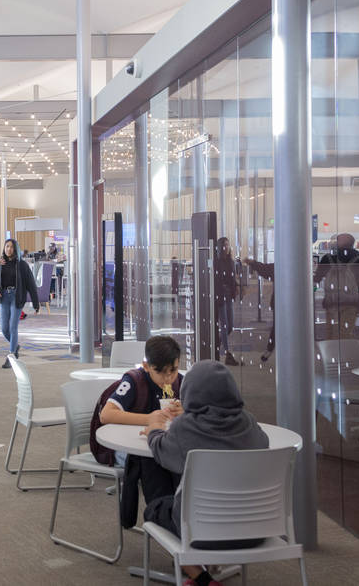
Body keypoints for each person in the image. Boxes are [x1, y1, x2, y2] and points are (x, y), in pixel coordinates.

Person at [141, 360, 270, 586]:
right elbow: (263, 444)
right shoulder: (249, 423)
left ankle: (201, 577)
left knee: (154, 508)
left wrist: (153, 431)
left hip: (201, 533)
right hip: (255, 529)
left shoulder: (186, 427)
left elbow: (161, 452)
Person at [89, 336, 183, 529]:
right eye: (161, 372)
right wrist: (149, 419)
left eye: (173, 370)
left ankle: (176, 514)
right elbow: (106, 415)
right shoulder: (134, 381)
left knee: (175, 459)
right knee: (157, 462)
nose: (168, 378)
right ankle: (163, 516)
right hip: (125, 448)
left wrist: (185, 412)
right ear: (146, 366)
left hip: (161, 445)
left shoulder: (180, 382)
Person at [314, 233, 359, 340]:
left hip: (332, 302)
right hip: (351, 303)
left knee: (330, 332)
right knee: (345, 334)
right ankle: (344, 355)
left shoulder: (327, 258)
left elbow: (316, 279)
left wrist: (312, 291)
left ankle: (331, 354)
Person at [0, 239, 40, 369]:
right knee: (4, 329)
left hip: (16, 297)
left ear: (16, 249)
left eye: (12, 247)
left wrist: (36, 304)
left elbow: (31, 285)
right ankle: (15, 345)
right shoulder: (0, 263)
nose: (9, 249)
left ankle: (12, 354)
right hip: (4, 297)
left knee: (13, 327)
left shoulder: (22, 265)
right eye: (7, 246)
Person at [213, 238, 239, 366]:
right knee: (224, 325)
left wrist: (237, 287)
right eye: (224, 245)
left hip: (229, 295)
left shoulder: (231, 262)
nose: (226, 247)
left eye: (228, 245)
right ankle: (228, 354)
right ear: (219, 247)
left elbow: (232, 278)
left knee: (230, 326)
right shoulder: (216, 262)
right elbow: (216, 280)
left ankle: (218, 343)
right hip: (220, 295)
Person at [244, 258, 275, 361]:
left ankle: (270, 349)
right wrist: (253, 263)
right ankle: (270, 349)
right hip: (281, 303)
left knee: (278, 327)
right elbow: (266, 269)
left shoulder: (282, 266)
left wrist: (253, 263)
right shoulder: (281, 266)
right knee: (277, 327)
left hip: (282, 303)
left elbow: (266, 269)